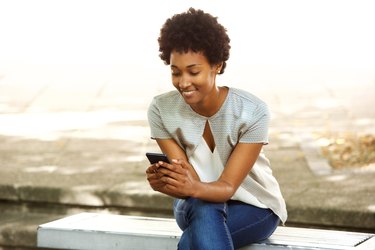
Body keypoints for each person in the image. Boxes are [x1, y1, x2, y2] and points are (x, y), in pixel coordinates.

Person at [146, 7, 287, 250]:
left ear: (217, 66)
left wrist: (189, 186)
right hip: (192, 204)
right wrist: (169, 182)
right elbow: (189, 181)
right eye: (175, 72)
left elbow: (227, 188)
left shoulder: (253, 112)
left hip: (254, 206)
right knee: (203, 206)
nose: (183, 82)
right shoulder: (161, 109)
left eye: (193, 71)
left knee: (194, 239)